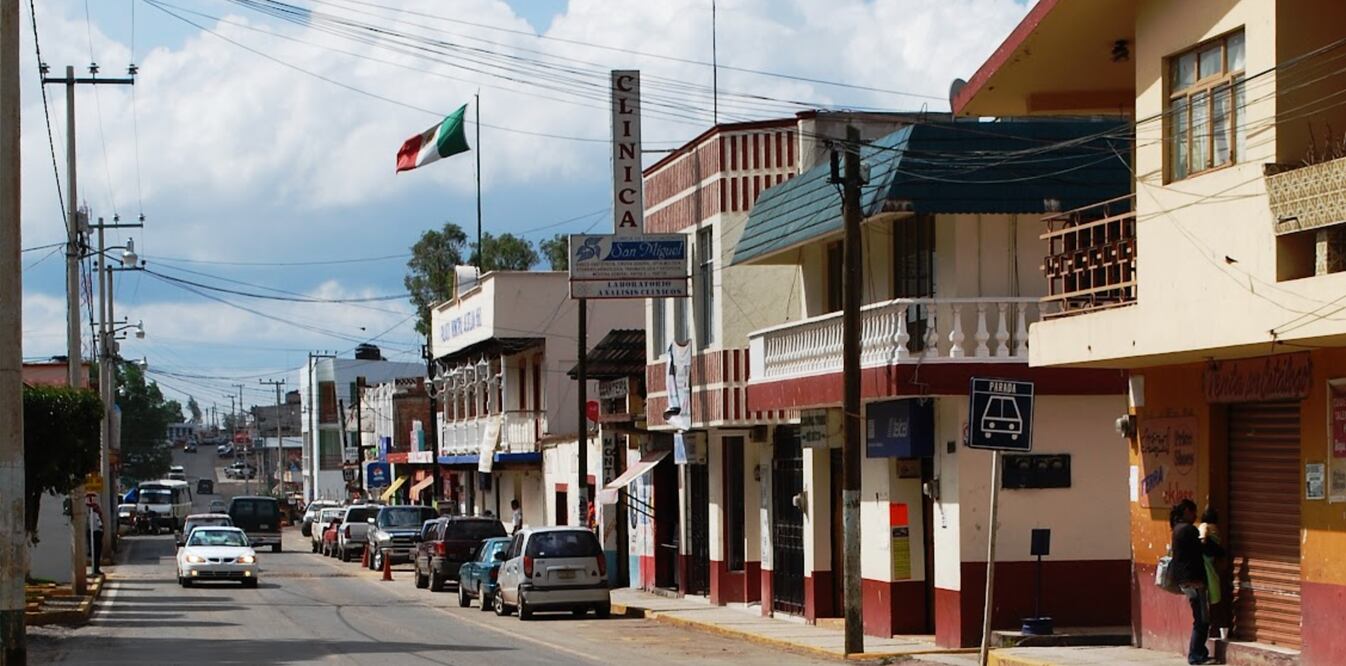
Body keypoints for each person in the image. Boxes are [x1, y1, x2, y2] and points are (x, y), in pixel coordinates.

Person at [1171, 499, 1223, 665]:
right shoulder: (1188, 530)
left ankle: (1200, 652)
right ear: (1186, 511)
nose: (1194, 516)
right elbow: (1203, 549)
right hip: (1194, 581)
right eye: (1193, 512)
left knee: (1200, 617)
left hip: (1184, 580)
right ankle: (1196, 656)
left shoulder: (1177, 529)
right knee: (1202, 619)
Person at [1199, 507, 1226, 637]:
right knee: (1213, 592)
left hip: (1208, 563)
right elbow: (1205, 540)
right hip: (1209, 563)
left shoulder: (1208, 526)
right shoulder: (1211, 527)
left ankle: (1212, 627)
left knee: (1210, 595)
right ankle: (1213, 627)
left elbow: (1203, 539)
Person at [86, 494, 104, 577]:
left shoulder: (90, 515)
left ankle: (96, 568)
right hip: (96, 534)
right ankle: (96, 569)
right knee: (96, 553)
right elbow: (100, 524)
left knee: (95, 553)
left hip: (92, 533)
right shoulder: (95, 515)